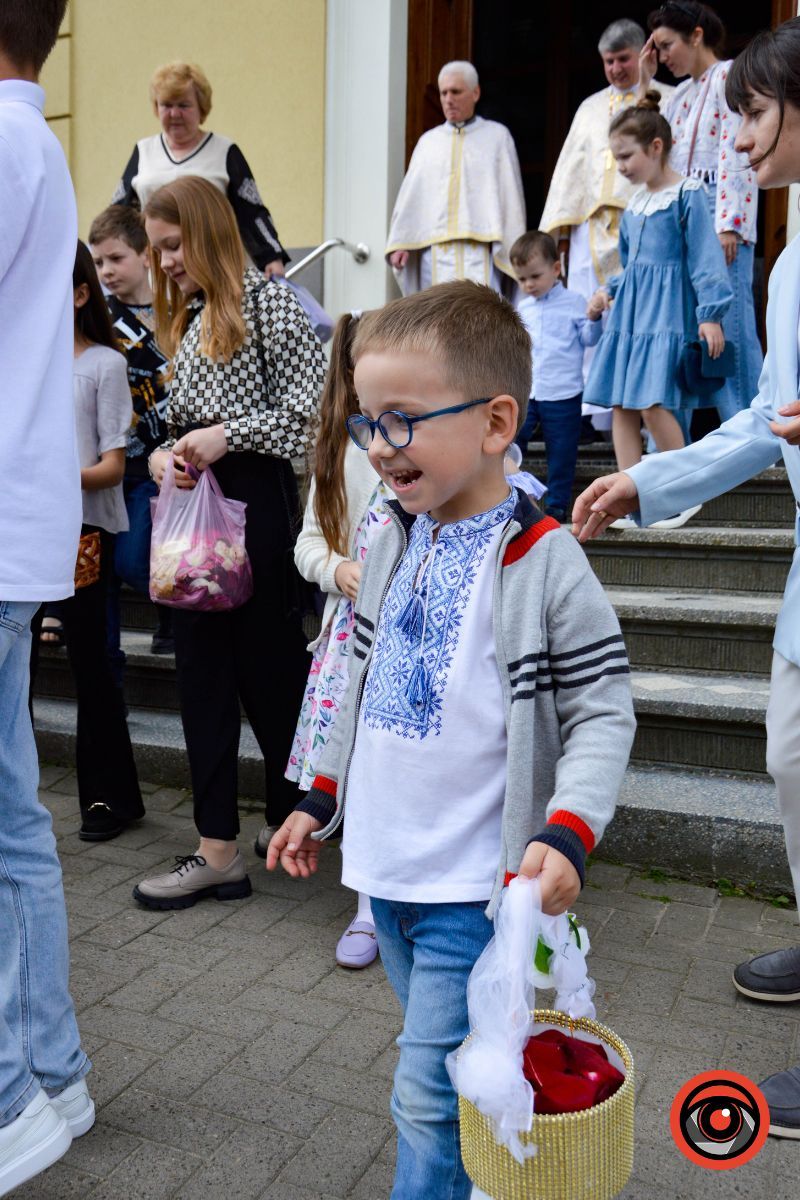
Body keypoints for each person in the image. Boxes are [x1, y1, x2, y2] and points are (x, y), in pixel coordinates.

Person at [267, 280, 636, 1197]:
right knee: (460, 1061)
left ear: (497, 421)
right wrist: (322, 795)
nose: (379, 448)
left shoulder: (545, 558)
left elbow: (602, 708)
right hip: (382, 872)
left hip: (472, 887)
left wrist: (565, 829)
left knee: (424, 1094)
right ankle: (492, 1166)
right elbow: (357, 677)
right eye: (367, 424)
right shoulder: (391, 536)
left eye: (401, 421)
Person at [571, 16, 800, 1139]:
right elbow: (768, 417)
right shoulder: (798, 256)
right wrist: (648, 485)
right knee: (786, 754)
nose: (737, 138)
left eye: (750, 115)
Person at [132, 177, 326, 910]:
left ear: (210, 230)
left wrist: (227, 436)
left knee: (275, 678)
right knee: (201, 680)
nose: (167, 262)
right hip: (196, 514)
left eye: (174, 245)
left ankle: (301, 816)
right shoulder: (191, 313)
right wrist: (163, 457)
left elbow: (313, 417)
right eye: (158, 250)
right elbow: (175, 421)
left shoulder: (272, 300)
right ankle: (217, 850)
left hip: (260, 508)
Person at [0, 3, 95, 1193]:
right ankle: (53, 1073)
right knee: (15, 817)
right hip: (15, 517)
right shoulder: (35, 137)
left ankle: (16, 1097)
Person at [287, 312, 391, 969]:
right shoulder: (341, 452)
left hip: (418, 636)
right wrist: (338, 568)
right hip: (351, 640)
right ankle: (367, 905)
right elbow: (307, 544)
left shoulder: (434, 441)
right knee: (356, 767)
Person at [582, 93, 731, 527]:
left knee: (652, 402)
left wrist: (711, 313)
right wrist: (607, 292)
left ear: (656, 147)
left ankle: (683, 489)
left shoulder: (687, 194)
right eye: (616, 158)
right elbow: (630, 266)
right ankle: (631, 494)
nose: (622, 166)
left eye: (626, 156)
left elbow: (705, 257)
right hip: (631, 318)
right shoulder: (634, 206)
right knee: (623, 407)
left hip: (666, 316)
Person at [57, 242, 146, 842]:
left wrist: (47, 476)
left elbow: (114, 466)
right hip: (24, 526)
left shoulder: (103, 365)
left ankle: (108, 798)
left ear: (81, 293)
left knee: (90, 661)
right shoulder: (19, 359)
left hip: (84, 531)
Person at [640, 1, 762, 424]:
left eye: (667, 44)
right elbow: (652, 154)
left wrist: (730, 222)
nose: (664, 56)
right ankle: (685, 447)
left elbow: (737, 148)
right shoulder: (677, 97)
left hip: (718, 213)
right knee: (688, 332)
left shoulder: (728, 76)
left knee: (729, 328)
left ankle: (750, 429)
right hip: (684, 220)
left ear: (695, 34)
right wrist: (644, 82)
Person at [88, 204, 173, 665]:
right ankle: (171, 618)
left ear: (145, 254)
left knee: (139, 557)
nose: (106, 271)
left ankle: (173, 618)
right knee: (124, 559)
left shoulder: (175, 306)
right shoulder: (101, 317)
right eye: (98, 262)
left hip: (171, 457)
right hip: (117, 456)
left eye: (115, 258)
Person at [113, 61, 288, 280]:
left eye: (184, 105)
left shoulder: (224, 151)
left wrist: (271, 256)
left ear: (201, 107)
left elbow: (251, 211)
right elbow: (119, 214)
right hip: (161, 271)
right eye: (166, 105)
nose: (174, 113)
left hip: (215, 271)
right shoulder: (143, 151)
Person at [540, 19, 674, 301]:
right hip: (588, 231)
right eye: (608, 61)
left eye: (623, 59)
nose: (615, 69)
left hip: (643, 220)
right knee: (587, 310)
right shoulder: (589, 108)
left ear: (642, 54)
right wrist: (563, 236)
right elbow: (570, 176)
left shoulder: (669, 99)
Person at [386, 61, 525, 297]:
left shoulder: (497, 137)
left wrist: (512, 248)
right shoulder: (429, 142)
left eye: (456, 92)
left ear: (475, 93)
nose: (448, 99)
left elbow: (509, 199)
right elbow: (412, 198)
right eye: (443, 93)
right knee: (437, 323)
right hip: (436, 255)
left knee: (483, 321)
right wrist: (403, 241)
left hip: (480, 253)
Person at [510, 231, 602, 522]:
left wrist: (594, 318)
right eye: (522, 279)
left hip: (564, 392)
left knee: (561, 451)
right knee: (513, 441)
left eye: (535, 276)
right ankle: (514, 494)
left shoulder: (575, 302)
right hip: (530, 392)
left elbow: (588, 338)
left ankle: (558, 504)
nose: (529, 284)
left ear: (556, 269)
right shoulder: (523, 308)